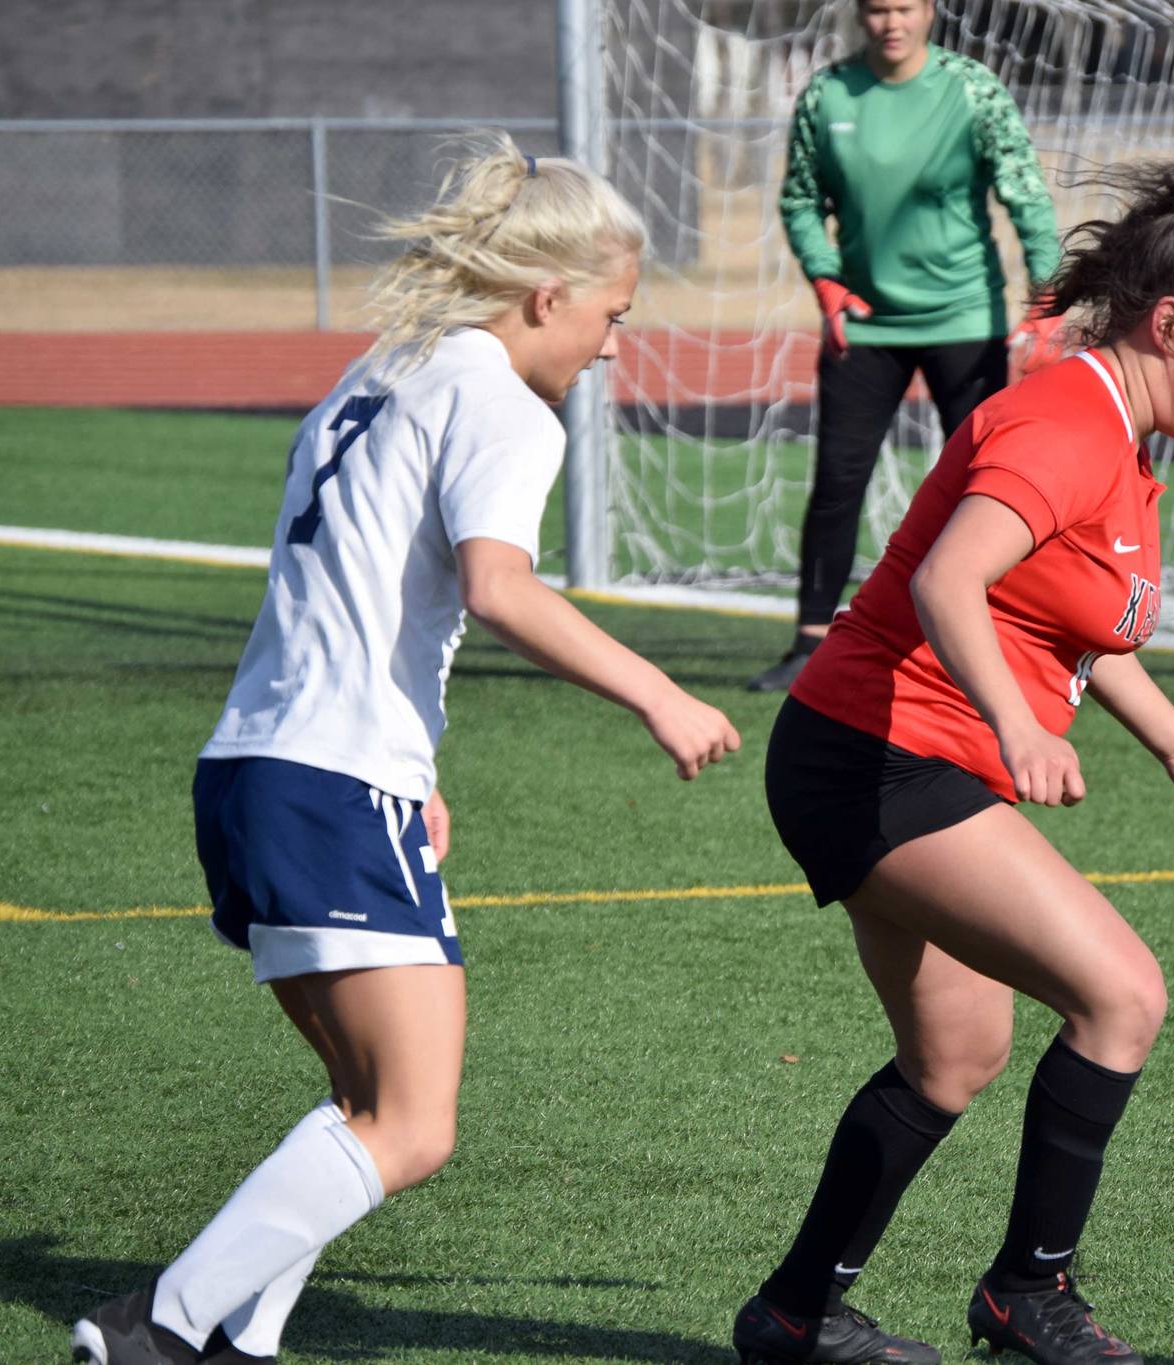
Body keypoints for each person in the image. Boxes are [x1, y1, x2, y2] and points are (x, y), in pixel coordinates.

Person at [70, 131, 740, 1365]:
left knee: (365, 1109)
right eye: (611, 315)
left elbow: (361, 587)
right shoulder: (501, 401)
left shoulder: (385, 368)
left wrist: (416, 771)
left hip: (255, 770)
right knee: (413, 1125)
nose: (610, 344)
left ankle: (235, 1345)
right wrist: (659, 693)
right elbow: (496, 587)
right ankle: (153, 1328)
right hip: (330, 782)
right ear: (547, 298)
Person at [731, 161, 1174, 1365]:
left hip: (891, 755)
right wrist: (1020, 727)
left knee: (954, 1055)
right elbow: (947, 582)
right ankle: (1028, 1293)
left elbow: (1060, 621)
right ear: (1166, 323)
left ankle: (793, 1314)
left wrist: (1172, 737)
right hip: (875, 757)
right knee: (1121, 995)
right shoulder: (1065, 422)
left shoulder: (1120, 438)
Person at [747, 0, 1065, 692]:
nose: (892, 22)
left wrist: (1048, 296)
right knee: (837, 482)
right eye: (877, 9)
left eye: (906, 7)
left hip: (965, 321)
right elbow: (801, 199)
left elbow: (1027, 195)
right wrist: (826, 283)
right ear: (860, 16)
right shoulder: (829, 93)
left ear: (929, 11)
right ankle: (808, 642)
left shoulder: (973, 90)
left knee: (995, 485)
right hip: (866, 327)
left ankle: (1017, 641)